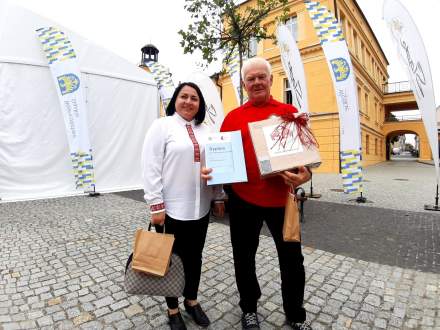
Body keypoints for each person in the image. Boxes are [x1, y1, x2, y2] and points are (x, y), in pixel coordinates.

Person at [203, 57, 312, 330]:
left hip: (282, 201)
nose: (256, 82)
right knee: (243, 258)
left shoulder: (289, 113)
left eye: (261, 76)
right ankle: (249, 309)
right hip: (242, 201)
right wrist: (214, 183)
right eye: (250, 79)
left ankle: (295, 314)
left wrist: (306, 174)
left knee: (292, 261)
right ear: (244, 84)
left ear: (271, 79)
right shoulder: (233, 118)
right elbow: (220, 157)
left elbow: (306, 159)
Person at [142, 82, 225, 330]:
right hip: (171, 210)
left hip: (199, 208)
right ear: (175, 100)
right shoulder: (162, 126)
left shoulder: (207, 130)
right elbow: (151, 166)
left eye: (194, 98)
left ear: (200, 104)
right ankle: (173, 308)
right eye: (183, 96)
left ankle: (191, 300)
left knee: (195, 258)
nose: (189, 101)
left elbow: (217, 167)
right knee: (170, 260)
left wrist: (219, 196)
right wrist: (155, 204)